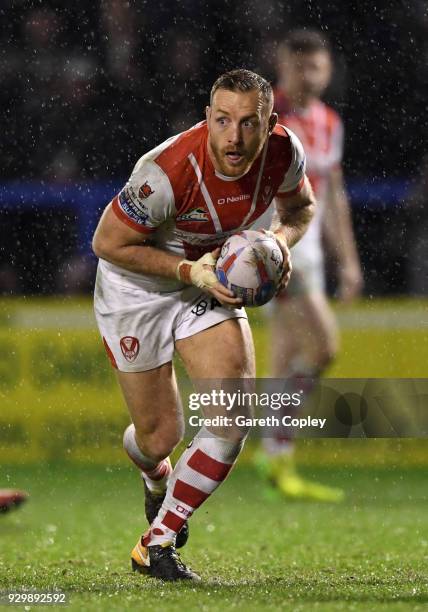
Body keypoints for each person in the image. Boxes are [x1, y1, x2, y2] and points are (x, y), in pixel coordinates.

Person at [92, 69, 316, 581]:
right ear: (207, 118)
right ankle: (156, 478)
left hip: (211, 282)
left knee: (231, 415)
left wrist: (278, 242)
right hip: (138, 288)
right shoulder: (166, 171)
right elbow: (107, 244)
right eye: (222, 121)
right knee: (157, 437)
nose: (234, 137)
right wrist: (187, 268)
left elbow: (301, 208)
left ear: (270, 123)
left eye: (248, 123)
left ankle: (159, 541)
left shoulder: (284, 152)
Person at [254, 30, 363, 502]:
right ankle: (274, 446)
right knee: (323, 347)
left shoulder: (329, 123)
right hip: (276, 247)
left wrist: (350, 261)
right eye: (299, 66)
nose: (308, 75)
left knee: (284, 356)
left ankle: (276, 461)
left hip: (312, 248)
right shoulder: (263, 117)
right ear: (282, 66)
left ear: (329, 69)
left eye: (316, 66)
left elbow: (333, 193)